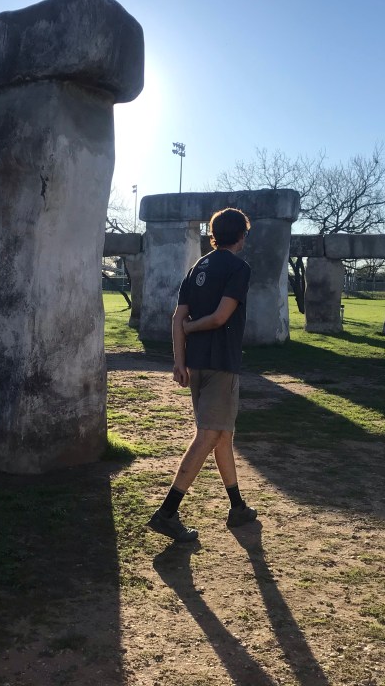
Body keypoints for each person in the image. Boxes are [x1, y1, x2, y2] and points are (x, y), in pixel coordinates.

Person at [147, 207, 258, 542]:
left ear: (214, 235)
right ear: (241, 236)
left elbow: (176, 318)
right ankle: (167, 513)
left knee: (223, 434)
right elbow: (221, 317)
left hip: (196, 364)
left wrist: (179, 362)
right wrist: (192, 328)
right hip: (221, 363)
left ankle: (237, 507)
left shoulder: (197, 267)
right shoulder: (239, 268)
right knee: (210, 434)